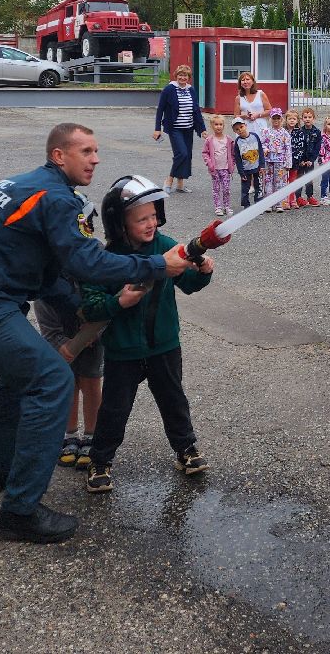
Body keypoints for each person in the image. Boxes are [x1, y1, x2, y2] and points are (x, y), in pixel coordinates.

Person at [0, 123, 195, 544]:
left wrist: (83, 309)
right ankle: (19, 512)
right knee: (51, 379)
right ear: (59, 156)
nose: (95, 159)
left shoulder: (27, 186)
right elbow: (88, 263)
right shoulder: (55, 198)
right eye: (85, 151)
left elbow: (50, 271)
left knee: (18, 378)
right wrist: (159, 266)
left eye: (96, 151)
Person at [81, 176, 213, 494]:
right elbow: (91, 305)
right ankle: (100, 461)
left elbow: (188, 283)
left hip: (164, 345)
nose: (151, 223)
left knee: (173, 400)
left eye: (154, 215)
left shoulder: (165, 247)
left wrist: (203, 272)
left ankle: (186, 449)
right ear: (119, 224)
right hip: (123, 350)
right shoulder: (108, 258)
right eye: (142, 219)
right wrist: (118, 302)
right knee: (114, 409)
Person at [34, 194, 106, 471]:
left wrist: (94, 333)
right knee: (67, 382)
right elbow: (44, 308)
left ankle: (92, 435)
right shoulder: (47, 264)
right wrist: (60, 341)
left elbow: (109, 297)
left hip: (93, 333)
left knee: (91, 380)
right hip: (59, 333)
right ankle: (69, 435)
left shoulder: (97, 255)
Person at [153, 65, 203, 194]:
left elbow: (196, 110)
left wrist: (202, 128)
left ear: (189, 77)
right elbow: (160, 109)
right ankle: (169, 180)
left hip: (188, 127)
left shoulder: (191, 90)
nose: (182, 77)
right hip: (175, 128)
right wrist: (157, 128)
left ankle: (180, 184)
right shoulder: (169, 89)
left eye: (185, 75)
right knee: (182, 153)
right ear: (176, 76)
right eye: (180, 75)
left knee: (187, 156)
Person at [201, 114, 235, 218]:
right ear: (212, 126)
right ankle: (218, 207)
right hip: (215, 169)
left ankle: (227, 206)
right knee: (216, 189)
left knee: (226, 189)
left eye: (220, 124)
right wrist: (209, 164)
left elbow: (233, 153)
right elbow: (205, 153)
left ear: (223, 126)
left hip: (225, 169)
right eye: (216, 124)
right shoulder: (209, 140)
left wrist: (232, 164)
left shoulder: (228, 139)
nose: (218, 126)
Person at [260, 107, 291, 213]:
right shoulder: (266, 131)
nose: (276, 120)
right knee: (268, 181)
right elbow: (262, 143)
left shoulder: (285, 133)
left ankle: (279, 204)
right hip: (268, 160)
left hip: (280, 161)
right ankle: (268, 203)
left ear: (281, 119)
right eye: (274, 118)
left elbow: (288, 148)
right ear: (270, 119)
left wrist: (288, 163)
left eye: (278, 118)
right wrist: (265, 149)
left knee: (280, 182)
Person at [292, 107, 322, 207]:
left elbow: (317, 148)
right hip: (300, 160)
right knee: (299, 178)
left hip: (310, 160)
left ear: (313, 118)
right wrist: (300, 160)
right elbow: (298, 146)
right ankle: (298, 197)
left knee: (309, 178)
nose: (307, 119)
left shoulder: (317, 132)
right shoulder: (299, 131)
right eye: (305, 117)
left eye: (310, 117)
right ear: (302, 119)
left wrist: (312, 160)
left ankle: (310, 196)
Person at [231, 116, 263, 208]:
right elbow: (238, 158)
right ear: (234, 131)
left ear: (245, 125)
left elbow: (260, 151)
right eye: (237, 129)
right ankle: (246, 205)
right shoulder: (237, 142)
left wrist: (262, 165)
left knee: (258, 186)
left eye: (241, 127)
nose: (240, 130)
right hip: (246, 169)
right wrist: (241, 172)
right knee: (245, 188)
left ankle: (258, 203)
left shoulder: (255, 136)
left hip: (257, 166)